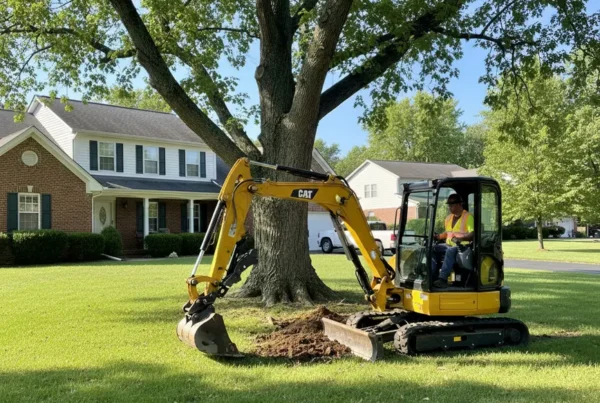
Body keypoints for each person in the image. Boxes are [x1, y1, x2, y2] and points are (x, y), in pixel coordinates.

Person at [431, 194, 474, 288]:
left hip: (462, 247)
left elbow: (472, 233)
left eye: (452, 205)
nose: (449, 207)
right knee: (431, 248)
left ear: (459, 204)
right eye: (449, 205)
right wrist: (438, 237)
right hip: (448, 244)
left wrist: (461, 239)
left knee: (450, 251)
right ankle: (432, 276)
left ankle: (442, 279)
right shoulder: (448, 218)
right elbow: (448, 233)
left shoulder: (468, 217)